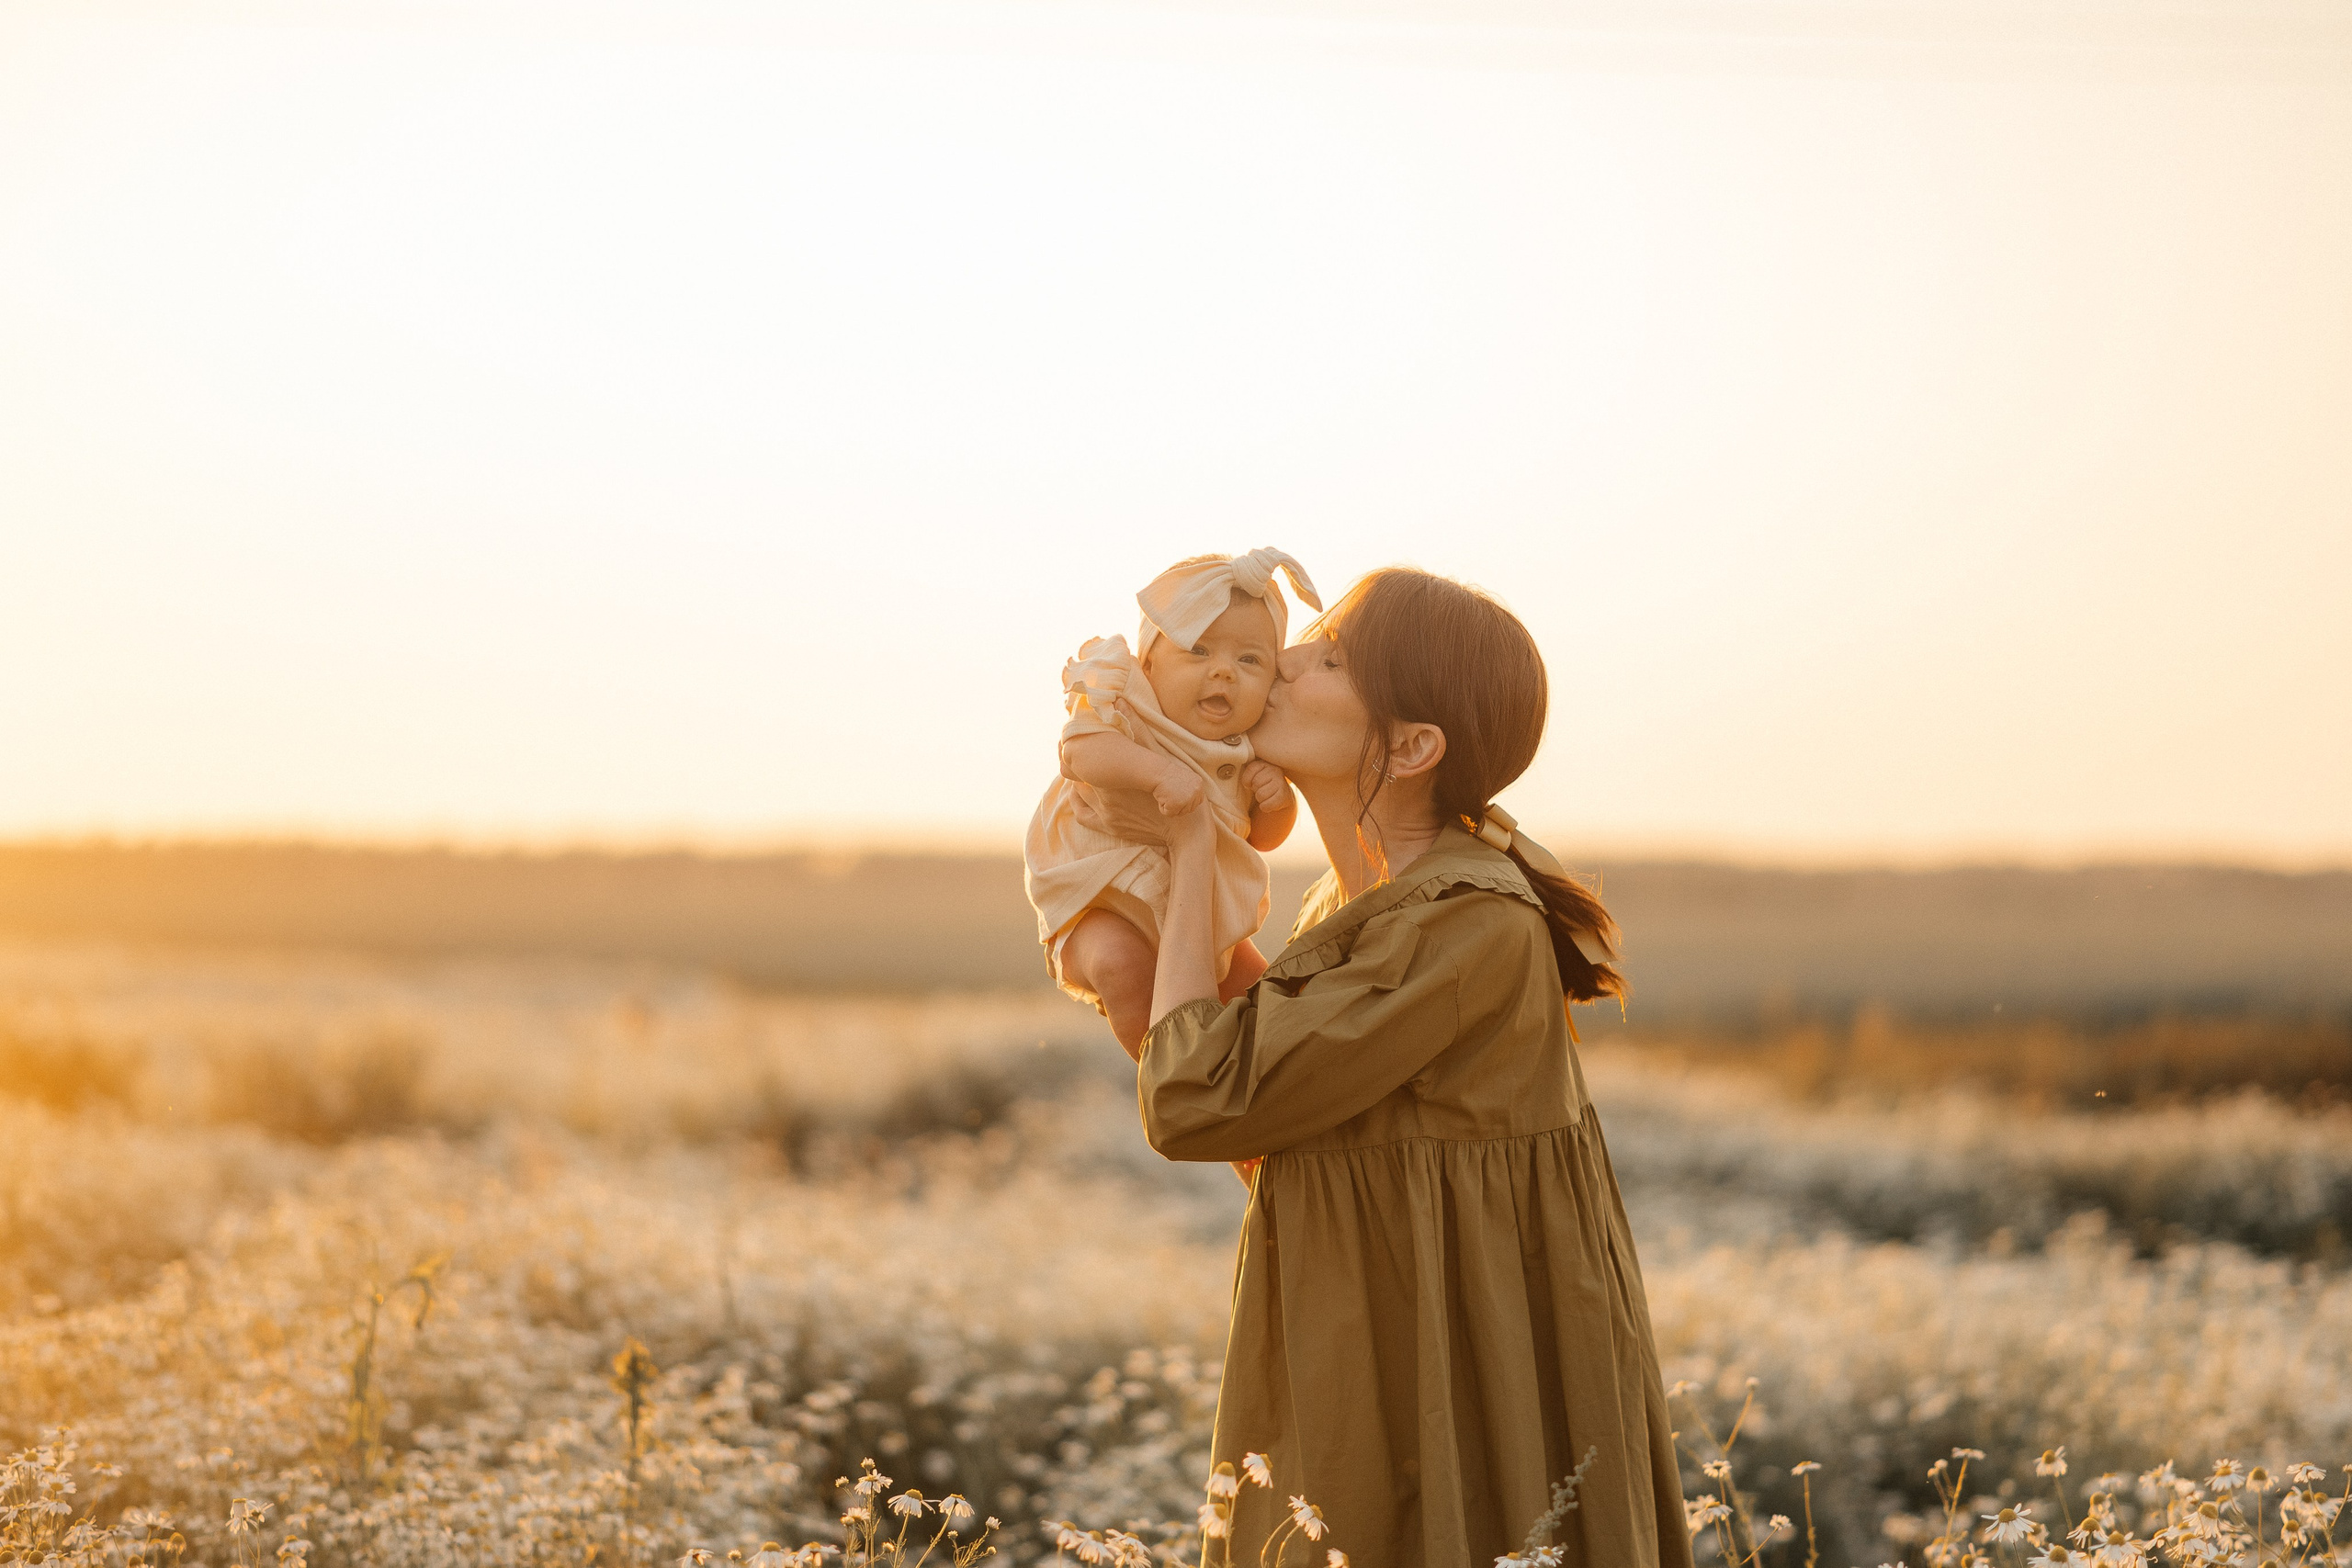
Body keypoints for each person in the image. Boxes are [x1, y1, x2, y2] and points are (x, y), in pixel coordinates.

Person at [1082, 567, 1693, 1567]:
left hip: (1462, 1371)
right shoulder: (1353, 906)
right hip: (1380, 1343)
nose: (1275, 664)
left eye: (1326, 660)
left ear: (1410, 747)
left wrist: (1193, 838)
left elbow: (1192, 1099)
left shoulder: (1462, 923)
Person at [1023, 547, 1321, 1057]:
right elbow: (1079, 752)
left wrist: (1277, 804)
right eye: (1199, 651)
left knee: (1268, 999)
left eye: (1249, 660)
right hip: (1099, 901)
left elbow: (1260, 838)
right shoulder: (1129, 703)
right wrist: (1157, 772)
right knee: (1122, 966)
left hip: (1201, 920)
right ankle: (1168, 1083)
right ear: (1149, 661)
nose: (1223, 672)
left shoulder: (1246, 752)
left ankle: (1252, 1111)